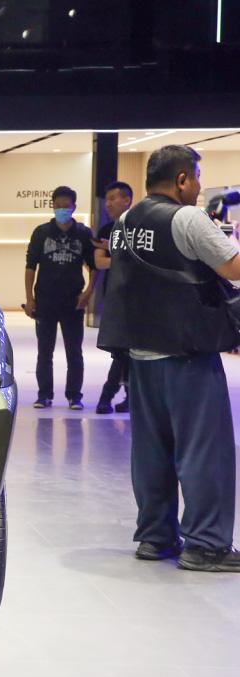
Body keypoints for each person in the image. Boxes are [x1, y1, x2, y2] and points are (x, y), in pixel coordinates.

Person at [98, 145, 240, 571]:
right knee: (204, 450)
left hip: (141, 355)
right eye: (196, 177)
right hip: (187, 355)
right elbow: (233, 268)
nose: (198, 186)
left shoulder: (125, 222)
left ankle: (155, 537)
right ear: (181, 179)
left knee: (151, 451)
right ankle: (206, 545)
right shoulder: (187, 219)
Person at [24, 186, 97, 410]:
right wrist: (29, 298)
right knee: (44, 351)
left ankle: (74, 396)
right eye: (58, 206)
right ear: (52, 206)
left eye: (66, 206)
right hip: (45, 300)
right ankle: (44, 395)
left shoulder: (83, 234)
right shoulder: (41, 233)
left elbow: (94, 266)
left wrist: (88, 293)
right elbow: (30, 266)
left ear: (74, 207)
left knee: (74, 352)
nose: (62, 210)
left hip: (73, 301)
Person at [92, 181, 135, 414]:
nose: (108, 204)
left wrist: (115, 253)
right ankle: (114, 397)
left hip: (137, 300)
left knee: (126, 353)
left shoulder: (139, 227)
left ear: (126, 200)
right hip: (115, 298)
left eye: (112, 199)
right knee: (121, 352)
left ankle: (111, 397)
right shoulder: (106, 230)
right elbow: (99, 262)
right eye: (106, 199)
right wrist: (123, 257)